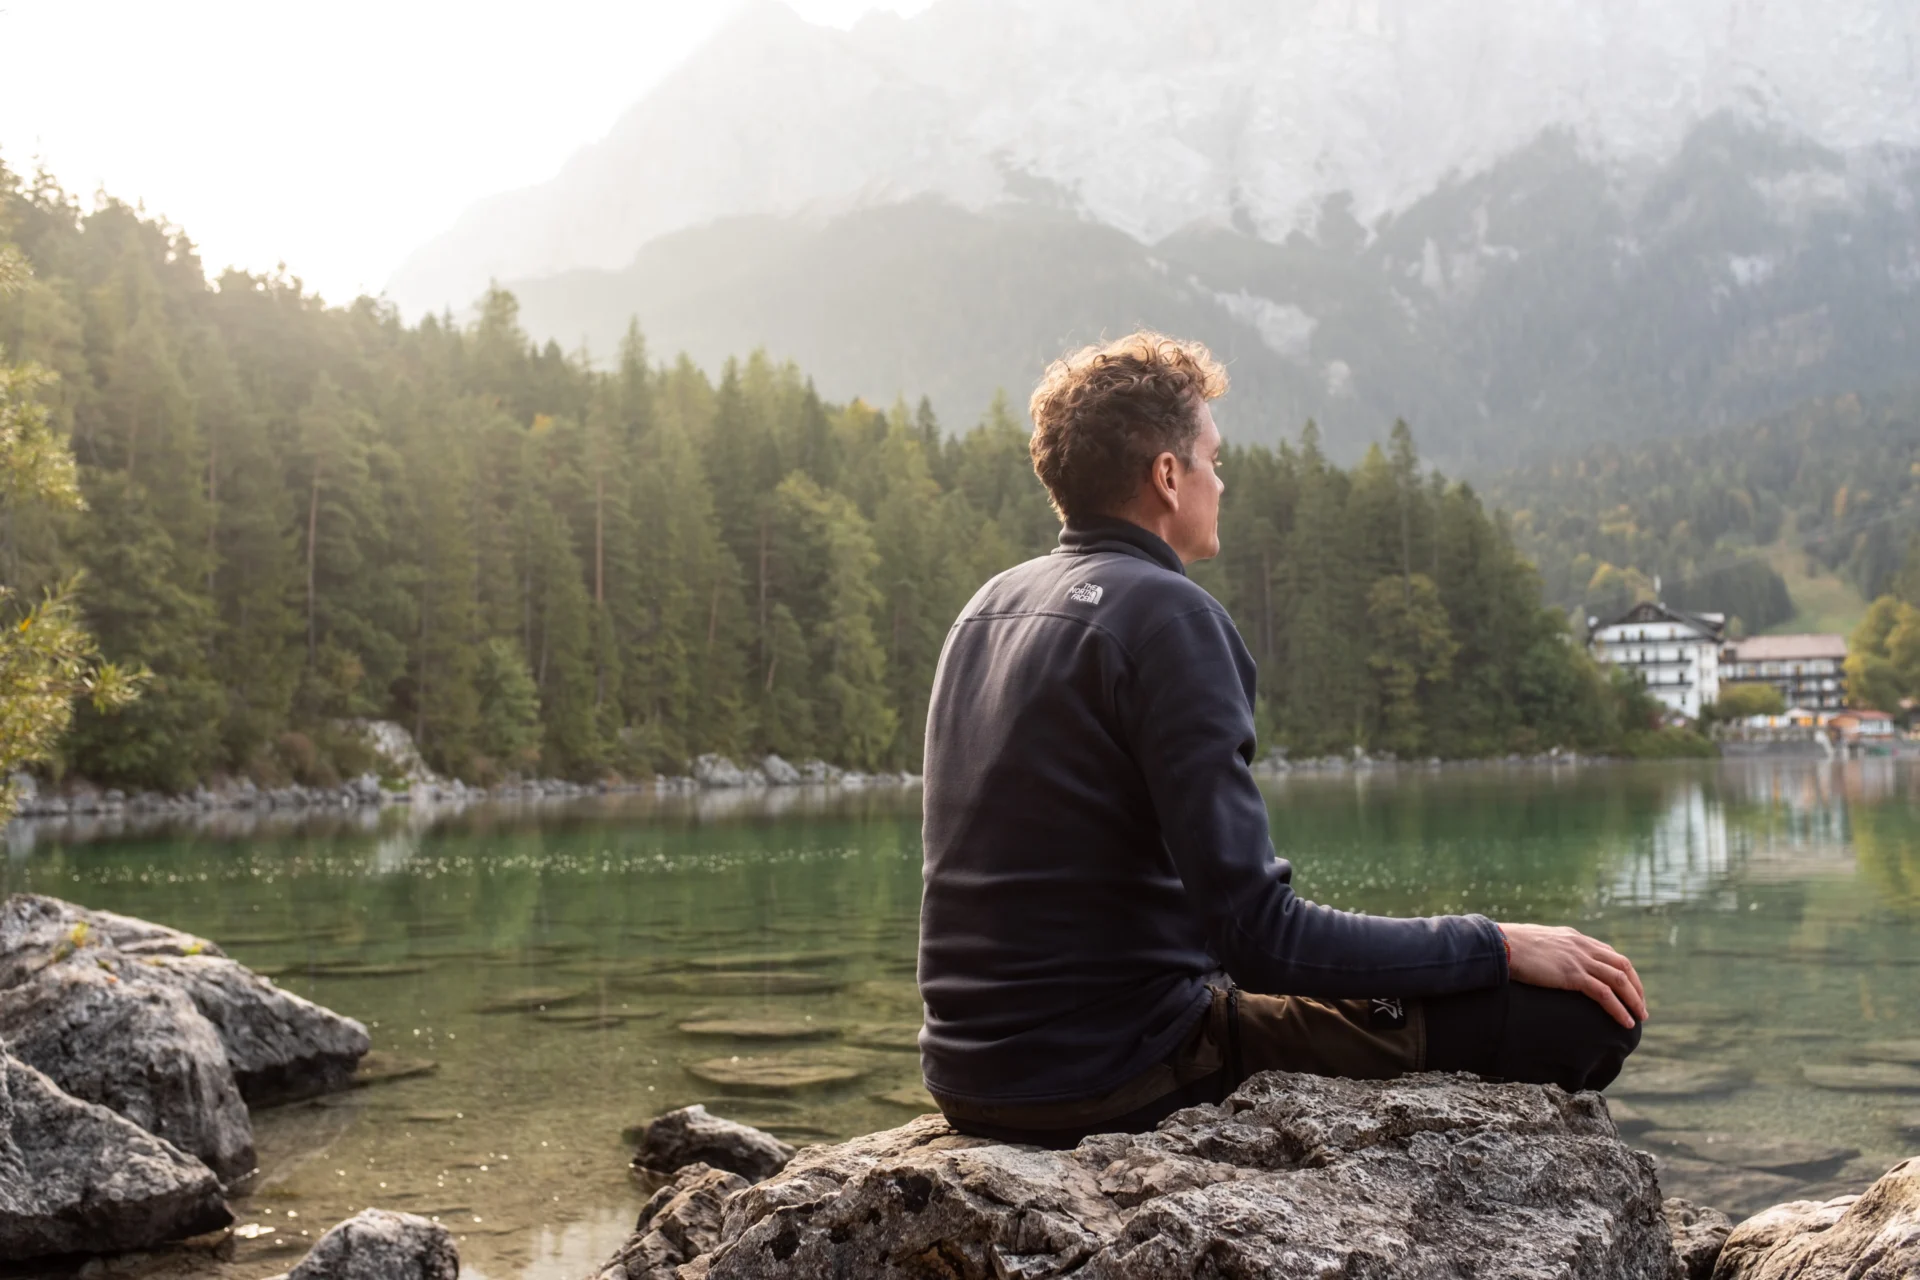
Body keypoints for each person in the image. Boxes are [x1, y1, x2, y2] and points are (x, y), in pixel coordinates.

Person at [917, 331, 1643, 1147]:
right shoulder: (1167, 617)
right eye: (1212, 460)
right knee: (1582, 1017)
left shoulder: (987, 607)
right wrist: (1496, 944)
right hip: (1110, 1076)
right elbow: (1261, 937)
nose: (1221, 482)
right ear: (1167, 475)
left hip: (968, 1075)